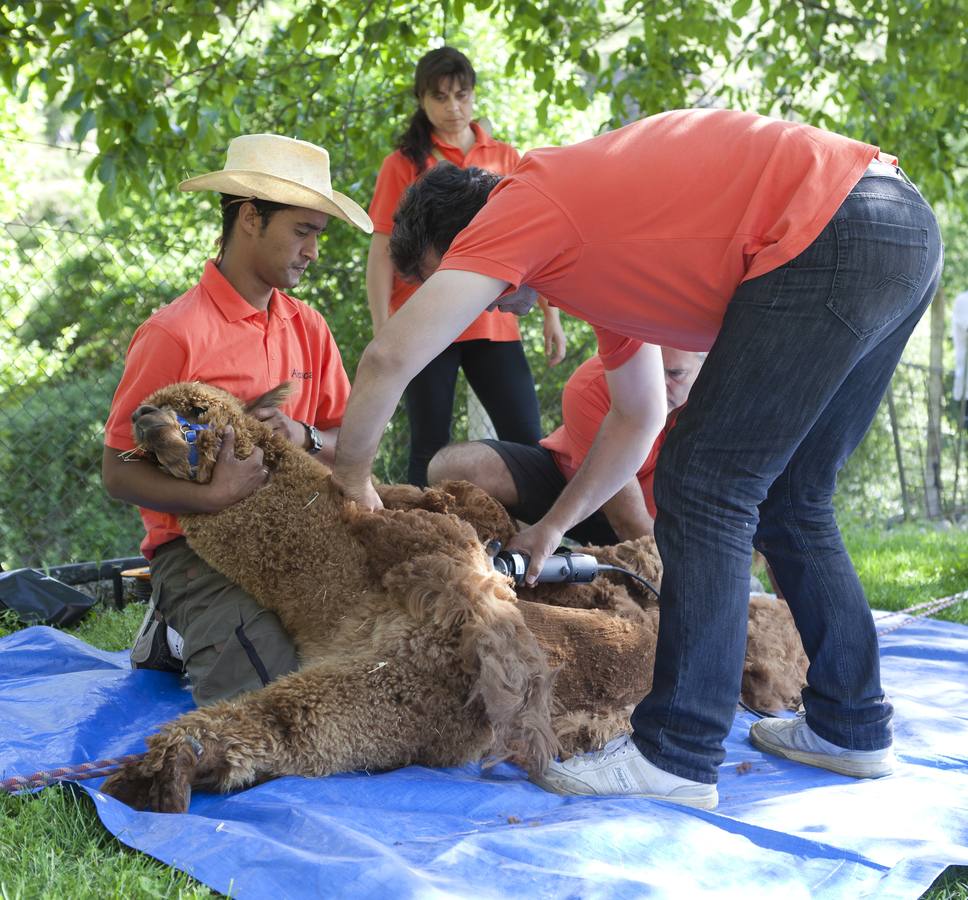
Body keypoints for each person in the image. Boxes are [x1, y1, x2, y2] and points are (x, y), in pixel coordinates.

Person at [330, 108, 944, 810]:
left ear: (467, 235)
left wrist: (351, 476)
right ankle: (852, 724)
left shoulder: (524, 202)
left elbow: (390, 356)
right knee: (791, 496)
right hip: (896, 223)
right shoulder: (595, 251)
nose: (485, 304)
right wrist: (555, 526)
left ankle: (677, 751)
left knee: (705, 482)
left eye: (466, 280)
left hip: (832, 225)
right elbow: (637, 415)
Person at [102, 134, 373, 707]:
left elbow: (352, 441)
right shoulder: (175, 333)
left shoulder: (310, 327)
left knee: (370, 654)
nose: (313, 252)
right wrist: (215, 495)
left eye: (317, 235)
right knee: (272, 694)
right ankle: (175, 622)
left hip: (302, 534)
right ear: (250, 217)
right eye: (302, 231)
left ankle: (176, 635)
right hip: (194, 549)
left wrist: (307, 436)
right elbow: (117, 472)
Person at [366, 45, 566, 486]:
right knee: (428, 445)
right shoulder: (403, 163)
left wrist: (552, 315)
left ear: (474, 96)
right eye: (440, 97)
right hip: (426, 320)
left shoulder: (505, 157)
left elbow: (535, 241)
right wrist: (385, 325)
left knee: (527, 440)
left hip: (493, 324)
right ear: (422, 100)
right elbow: (382, 251)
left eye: (462, 95)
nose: (453, 107)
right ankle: (420, 542)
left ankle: (535, 541)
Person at [428, 348, 705, 544]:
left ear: (705, 366)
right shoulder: (593, 384)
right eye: (650, 370)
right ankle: (513, 543)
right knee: (455, 466)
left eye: (675, 374)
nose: (657, 385)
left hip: (660, 519)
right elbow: (627, 519)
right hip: (574, 485)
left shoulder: (718, 403)